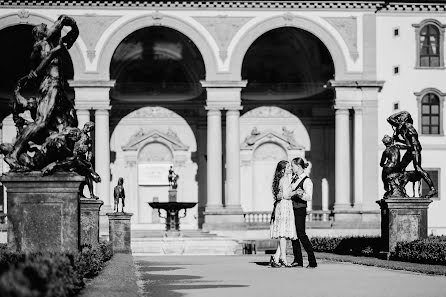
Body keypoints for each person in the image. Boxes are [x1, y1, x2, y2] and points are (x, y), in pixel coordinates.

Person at [387, 111, 437, 198]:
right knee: (400, 167)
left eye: (400, 118)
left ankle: (432, 189)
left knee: (418, 168)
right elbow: (389, 119)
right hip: (410, 150)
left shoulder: (410, 128)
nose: (398, 119)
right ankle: (399, 191)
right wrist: (399, 140)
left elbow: (411, 145)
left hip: (415, 150)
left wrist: (399, 145)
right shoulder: (402, 127)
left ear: (404, 119)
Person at [269, 160, 298, 268]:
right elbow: (286, 195)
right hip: (285, 206)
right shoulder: (285, 179)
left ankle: (276, 258)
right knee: (283, 234)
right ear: (283, 170)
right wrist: (296, 192)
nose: (291, 168)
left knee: (284, 234)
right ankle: (283, 258)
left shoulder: (283, 179)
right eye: (288, 166)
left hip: (283, 206)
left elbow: (281, 194)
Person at [290, 157, 317, 268]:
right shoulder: (293, 178)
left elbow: (309, 197)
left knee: (301, 235)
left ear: (298, 166)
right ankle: (298, 260)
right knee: (294, 235)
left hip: (300, 209)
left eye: (293, 166)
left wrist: (301, 194)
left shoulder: (307, 181)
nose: (292, 168)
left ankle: (312, 261)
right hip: (292, 209)